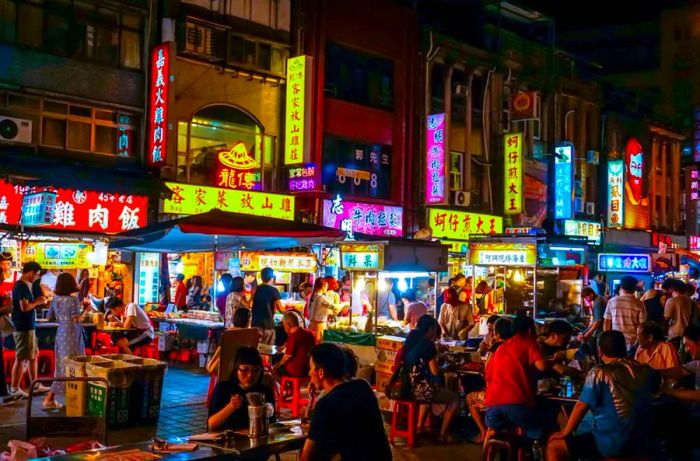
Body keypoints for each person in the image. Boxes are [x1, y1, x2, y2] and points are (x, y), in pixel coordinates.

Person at [547, 330, 661, 460]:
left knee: (554, 446)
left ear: (600, 351)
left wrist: (565, 432)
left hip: (611, 444)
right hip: (643, 443)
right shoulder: (647, 371)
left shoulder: (599, 372)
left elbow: (580, 406)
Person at [300, 343, 391, 461]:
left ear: (321, 372)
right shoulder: (363, 387)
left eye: (311, 368)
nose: (309, 373)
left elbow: (306, 456)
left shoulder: (325, 404)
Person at [484, 315, 559, 440]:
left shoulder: (501, 347)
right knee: (547, 422)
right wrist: (554, 360)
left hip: (492, 408)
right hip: (517, 405)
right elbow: (542, 366)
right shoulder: (528, 342)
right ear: (530, 330)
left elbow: (488, 376)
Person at [403, 315, 461, 442]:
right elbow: (435, 371)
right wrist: (447, 367)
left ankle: (420, 426)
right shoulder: (427, 345)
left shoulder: (410, 339)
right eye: (434, 331)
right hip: (419, 389)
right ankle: (442, 434)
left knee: (428, 389)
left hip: (405, 386)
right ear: (430, 329)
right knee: (456, 399)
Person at [43, 273, 87, 409]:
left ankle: (66, 398)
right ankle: (52, 398)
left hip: (61, 334)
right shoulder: (73, 300)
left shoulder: (55, 299)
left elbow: (49, 317)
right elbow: (76, 319)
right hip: (72, 334)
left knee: (61, 365)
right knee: (74, 365)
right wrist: (86, 310)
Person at [466, 317, 512, 444]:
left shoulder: (496, 347)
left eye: (492, 330)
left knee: (470, 398)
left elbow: (487, 373)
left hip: (497, 398)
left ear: (497, 334)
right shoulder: (515, 347)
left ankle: (483, 431)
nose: (490, 333)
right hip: (515, 397)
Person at [8, 262, 50, 400]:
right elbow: (24, 308)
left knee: (33, 355)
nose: (37, 278)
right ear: (30, 272)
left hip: (28, 326)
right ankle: (14, 389)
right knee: (21, 358)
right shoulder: (21, 286)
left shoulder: (25, 286)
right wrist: (38, 302)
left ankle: (35, 385)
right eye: (36, 275)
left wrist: (37, 300)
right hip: (23, 327)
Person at [208, 347, 274, 431]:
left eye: (255, 370)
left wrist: (266, 411)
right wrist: (231, 407)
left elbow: (272, 424)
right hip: (228, 440)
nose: (250, 375)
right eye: (244, 370)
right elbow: (211, 424)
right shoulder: (223, 389)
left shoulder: (264, 391)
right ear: (235, 369)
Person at [603, 275, 647, 351]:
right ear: (634, 289)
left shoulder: (612, 301)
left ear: (621, 287)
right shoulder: (639, 304)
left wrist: (607, 341)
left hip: (615, 342)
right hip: (633, 343)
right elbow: (642, 325)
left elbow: (606, 323)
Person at [275, 311, 316, 378]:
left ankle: (286, 387)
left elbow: (287, 357)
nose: (284, 327)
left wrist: (278, 365)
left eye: (284, 325)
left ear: (288, 325)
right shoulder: (310, 333)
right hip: (309, 369)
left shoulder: (294, 337)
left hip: (297, 371)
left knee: (277, 369)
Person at [251, 267, 283, 345]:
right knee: (268, 351)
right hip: (268, 325)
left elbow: (250, 304)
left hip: (256, 325)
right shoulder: (274, 290)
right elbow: (281, 309)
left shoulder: (255, 289)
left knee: (257, 349)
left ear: (261, 277)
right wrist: (290, 312)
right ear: (272, 278)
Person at [0, 252, 16, 404]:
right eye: (2, 264)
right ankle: (5, 393)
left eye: (7, 263)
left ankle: (5, 392)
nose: (5, 266)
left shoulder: (16, 277)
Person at [307, 278, 335, 342]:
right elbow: (333, 307)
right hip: (319, 326)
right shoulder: (321, 297)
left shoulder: (312, 296)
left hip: (311, 325)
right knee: (318, 345)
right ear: (323, 286)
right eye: (327, 286)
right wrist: (344, 304)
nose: (327, 288)